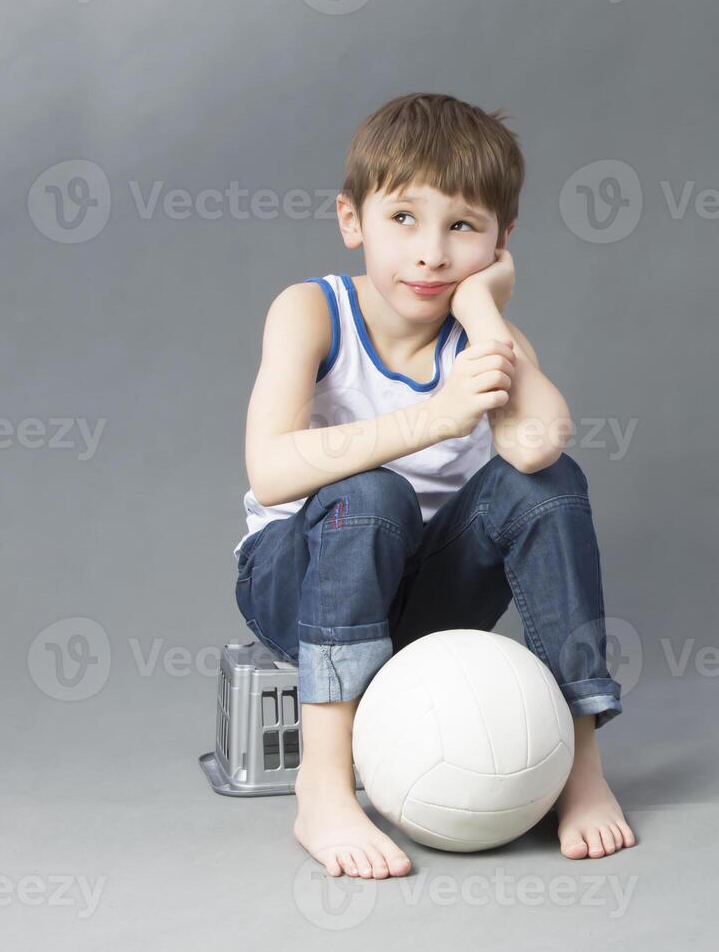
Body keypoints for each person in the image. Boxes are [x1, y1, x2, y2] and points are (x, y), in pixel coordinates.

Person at [231, 92, 635, 879]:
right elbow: (270, 467)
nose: (431, 255)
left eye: (462, 227)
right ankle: (323, 786)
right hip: (301, 582)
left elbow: (539, 444)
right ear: (353, 221)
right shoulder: (312, 310)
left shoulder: (482, 331)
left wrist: (486, 311)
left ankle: (581, 771)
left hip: (421, 605)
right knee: (373, 494)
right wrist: (440, 416)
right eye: (404, 220)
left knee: (549, 483)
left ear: (499, 241)